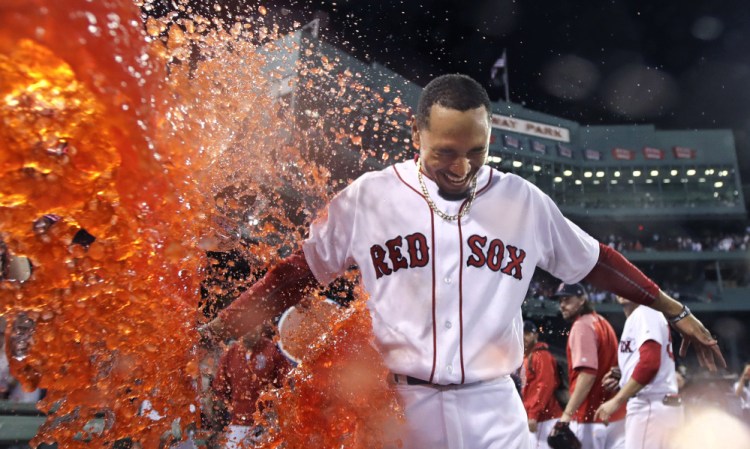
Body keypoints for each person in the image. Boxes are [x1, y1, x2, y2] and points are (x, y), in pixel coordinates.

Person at [203, 74, 724, 449]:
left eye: (476, 151)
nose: (462, 166)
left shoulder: (521, 200)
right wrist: (222, 326)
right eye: (446, 151)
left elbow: (595, 262)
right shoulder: (369, 198)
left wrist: (673, 308)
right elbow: (297, 273)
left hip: (492, 405)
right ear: (418, 137)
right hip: (400, 408)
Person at [595, 295, 683, 449]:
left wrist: (617, 401)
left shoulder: (645, 312)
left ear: (639, 288)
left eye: (628, 284)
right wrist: (624, 376)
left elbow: (649, 364)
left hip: (650, 404)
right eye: (619, 286)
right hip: (658, 403)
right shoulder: (640, 316)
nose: (622, 290)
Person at [553, 283, 625, 449]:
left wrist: (566, 416)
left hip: (590, 418)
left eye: (567, 299)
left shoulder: (582, 326)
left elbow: (587, 374)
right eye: (560, 301)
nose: (562, 305)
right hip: (615, 416)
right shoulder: (602, 322)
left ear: (582, 300)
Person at [212, 324, 292, 448]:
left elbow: (286, 383)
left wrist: (276, 410)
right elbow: (219, 388)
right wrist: (234, 408)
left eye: (255, 325)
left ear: (260, 327)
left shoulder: (272, 350)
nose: (250, 331)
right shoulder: (229, 354)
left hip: (267, 425)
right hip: (238, 424)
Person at [522, 320, 563, 449]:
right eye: (522, 333)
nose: (524, 336)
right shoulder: (525, 357)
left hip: (545, 418)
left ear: (536, 335)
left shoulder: (540, 355)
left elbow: (545, 385)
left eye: (528, 333)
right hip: (535, 418)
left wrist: (533, 414)